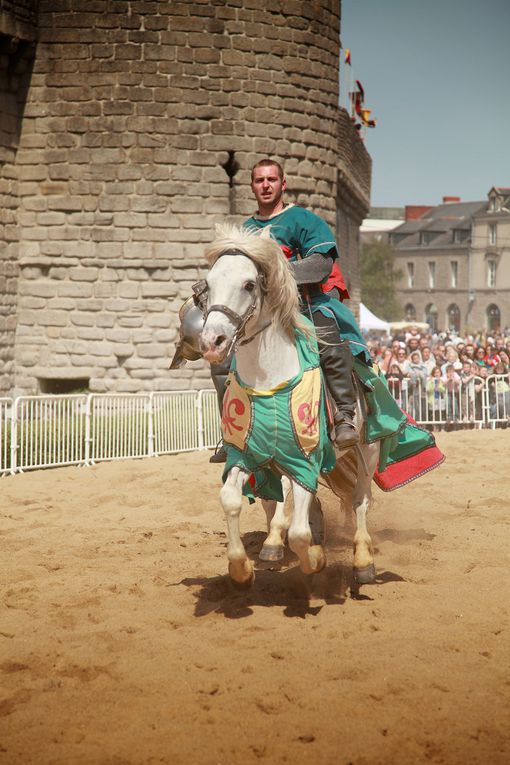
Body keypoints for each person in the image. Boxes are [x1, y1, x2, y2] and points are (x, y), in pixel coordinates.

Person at [210, 158, 366, 462]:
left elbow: (320, 265)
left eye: (271, 180)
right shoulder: (246, 230)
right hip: (258, 313)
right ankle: (231, 430)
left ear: (283, 184)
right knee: (220, 356)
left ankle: (345, 416)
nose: (265, 186)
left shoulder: (304, 221)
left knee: (328, 339)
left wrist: (273, 275)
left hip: (304, 305)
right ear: (252, 186)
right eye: (259, 180)